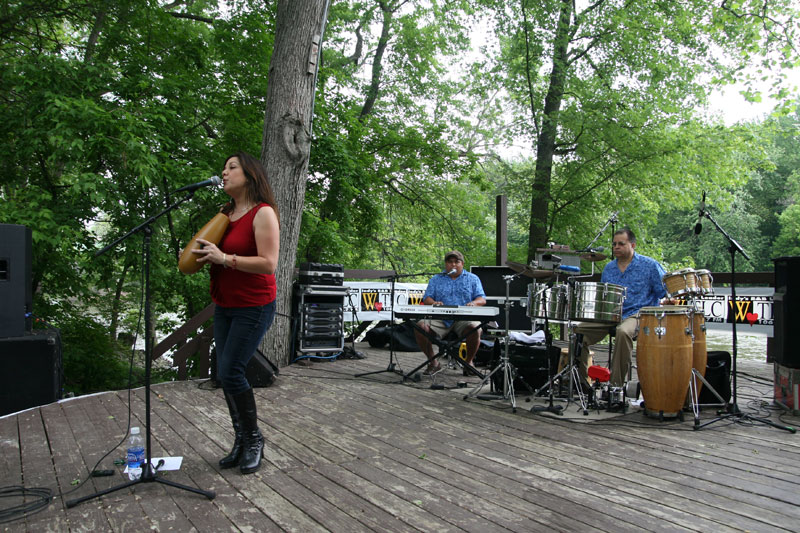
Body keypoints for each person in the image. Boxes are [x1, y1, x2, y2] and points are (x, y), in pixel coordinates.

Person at [191, 151, 280, 474]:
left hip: (254, 305)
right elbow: (212, 253)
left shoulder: (263, 213)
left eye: (231, 167)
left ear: (250, 174)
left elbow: (269, 263)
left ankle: (254, 440)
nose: (224, 173)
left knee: (231, 371)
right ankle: (241, 441)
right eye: (223, 168)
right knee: (225, 373)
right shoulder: (225, 214)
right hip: (225, 304)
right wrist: (199, 254)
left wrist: (225, 258)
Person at [575, 227, 666, 387]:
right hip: (611, 315)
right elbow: (603, 297)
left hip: (638, 314)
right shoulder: (609, 268)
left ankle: (615, 386)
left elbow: (663, 292)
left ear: (633, 245)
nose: (616, 247)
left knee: (623, 332)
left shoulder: (650, 265)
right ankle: (582, 383)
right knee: (578, 331)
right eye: (614, 244)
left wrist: (670, 300)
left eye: (621, 244)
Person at [413, 250, 486, 375]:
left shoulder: (473, 279)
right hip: (440, 317)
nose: (453, 265)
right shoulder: (436, 279)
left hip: (463, 317)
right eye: (450, 262)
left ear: (462, 264)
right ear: (445, 264)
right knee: (420, 326)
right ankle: (433, 362)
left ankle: (468, 362)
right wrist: (434, 303)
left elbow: (482, 298)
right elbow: (427, 298)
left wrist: (474, 303)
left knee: (475, 328)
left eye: (456, 262)